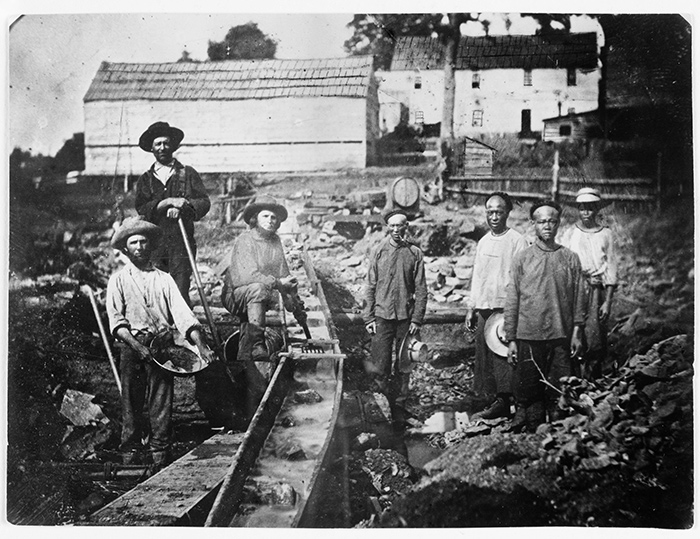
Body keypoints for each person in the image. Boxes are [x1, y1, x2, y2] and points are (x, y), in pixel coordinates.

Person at [106, 217, 216, 468]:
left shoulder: (164, 279)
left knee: (161, 404)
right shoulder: (118, 280)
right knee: (131, 403)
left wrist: (201, 345)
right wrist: (137, 347)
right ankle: (130, 456)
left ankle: (159, 457)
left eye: (144, 242)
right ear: (125, 248)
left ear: (151, 246)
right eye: (133, 242)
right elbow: (117, 322)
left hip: (161, 347)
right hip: (132, 346)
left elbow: (184, 316)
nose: (139, 247)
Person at [504, 201, 586, 432]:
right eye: (541, 221)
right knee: (530, 392)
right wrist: (512, 339)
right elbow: (512, 300)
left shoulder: (570, 258)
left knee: (559, 389)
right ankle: (533, 437)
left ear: (558, 223)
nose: (547, 226)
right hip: (529, 336)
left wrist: (577, 332)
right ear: (533, 225)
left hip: (560, 335)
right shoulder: (522, 258)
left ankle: (558, 439)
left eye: (552, 221)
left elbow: (580, 296)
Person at [465, 192, 528, 419]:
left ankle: (510, 401)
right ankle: (494, 400)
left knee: (504, 352)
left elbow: (521, 279)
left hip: (504, 308)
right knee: (485, 354)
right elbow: (478, 277)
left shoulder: (517, 241)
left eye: (498, 212)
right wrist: (471, 307)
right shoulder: (483, 241)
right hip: (484, 306)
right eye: (490, 212)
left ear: (507, 213)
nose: (494, 216)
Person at [135, 121, 211, 307]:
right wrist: (166, 203)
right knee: (155, 291)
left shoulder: (187, 173)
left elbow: (204, 202)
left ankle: (182, 333)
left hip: (181, 242)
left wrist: (184, 206)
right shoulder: (146, 179)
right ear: (151, 148)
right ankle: (160, 333)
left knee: (180, 292)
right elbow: (142, 209)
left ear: (173, 146)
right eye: (158, 144)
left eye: (166, 143)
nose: (162, 147)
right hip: (154, 245)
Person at [363, 209, 427, 426]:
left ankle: (399, 409)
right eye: (392, 226)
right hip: (381, 316)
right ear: (387, 228)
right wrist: (368, 318)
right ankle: (381, 410)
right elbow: (370, 286)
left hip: (405, 319)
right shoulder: (378, 251)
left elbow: (421, 289)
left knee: (403, 364)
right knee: (380, 364)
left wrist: (416, 319)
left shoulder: (415, 253)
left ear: (406, 226)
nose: (396, 230)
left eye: (400, 225)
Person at [221, 196, 297, 363]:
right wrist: (278, 284)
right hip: (235, 294)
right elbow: (248, 276)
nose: (270, 220)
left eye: (273, 217)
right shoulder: (245, 240)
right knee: (258, 289)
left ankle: (246, 360)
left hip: (258, 294)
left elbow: (284, 273)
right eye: (265, 216)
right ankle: (257, 344)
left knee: (259, 295)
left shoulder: (275, 241)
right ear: (255, 218)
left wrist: (294, 301)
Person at [560, 187, 618, 380]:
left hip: (596, 290)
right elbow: (564, 263)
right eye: (582, 208)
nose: (585, 212)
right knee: (574, 332)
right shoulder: (570, 233)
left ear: (597, 210)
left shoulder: (606, 234)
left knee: (595, 335)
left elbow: (610, 267)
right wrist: (579, 277)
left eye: (590, 208)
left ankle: (593, 380)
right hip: (574, 288)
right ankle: (574, 379)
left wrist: (607, 301)